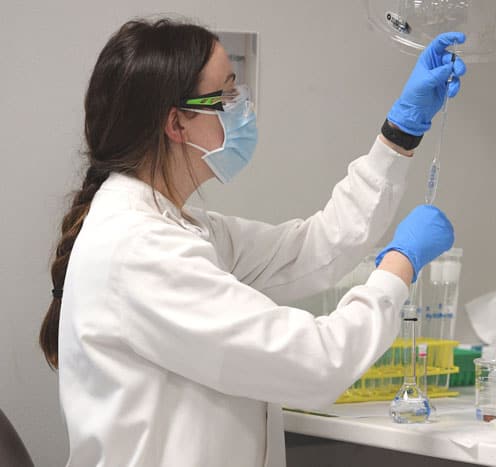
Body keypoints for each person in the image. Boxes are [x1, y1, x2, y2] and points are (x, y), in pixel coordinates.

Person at [39, 18, 466, 467]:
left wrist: (400, 132)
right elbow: (317, 363)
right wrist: (399, 264)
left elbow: (315, 248)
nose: (241, 106)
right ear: (176, 123)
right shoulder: (139, 250)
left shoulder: (180, 229)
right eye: (226, 94)